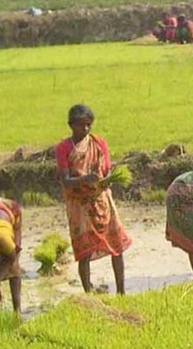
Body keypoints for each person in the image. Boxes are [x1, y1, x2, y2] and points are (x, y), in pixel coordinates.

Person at [56, 104, 132, 295]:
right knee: (85, 251)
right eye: (82, 125)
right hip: (79, 205)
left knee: (117, 246)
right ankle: (88, 293)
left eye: (89, 125)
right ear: (71, 125)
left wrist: (106, 181)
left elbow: (106, 170)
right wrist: (84, 179)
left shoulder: (98, 143)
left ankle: (121, 291)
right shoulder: (64, 148)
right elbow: (65, 181)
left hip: (102, 201)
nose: (86, 129)